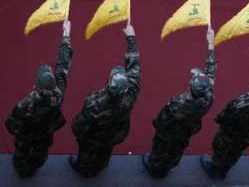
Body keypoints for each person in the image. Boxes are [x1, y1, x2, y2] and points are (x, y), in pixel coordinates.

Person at [200, 28, 249, 179]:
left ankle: (215, 168)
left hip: (231, 131)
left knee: (221, 149)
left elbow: (224, 117)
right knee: (236, 151)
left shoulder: (242, 103)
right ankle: (225, 170)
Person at [142, 27, 217, 178]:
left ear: (190, 87)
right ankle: (169, 165)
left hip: (170, 130)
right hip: (188, 129)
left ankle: (155, 169)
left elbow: (161, 121)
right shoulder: (208, 97)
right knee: (178, 147)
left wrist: (157, 126)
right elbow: (211, 73)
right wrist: (210, 44)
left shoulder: (177, 105)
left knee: (161, 148)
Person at [69, 22, 141, 177]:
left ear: (109, 84)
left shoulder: (94, 103)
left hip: (93, 138)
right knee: (105, 152)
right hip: (113, 135)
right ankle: (100, 167)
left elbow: (78, 126)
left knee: (86, 155)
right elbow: (134, 67)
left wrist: (80, 136)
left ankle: (84, 168)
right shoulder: (130, 95)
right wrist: (131, 37)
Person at [5, 20, 73, 177]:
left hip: (26, 137)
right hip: (45, 134)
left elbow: (10, 125)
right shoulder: (58, 94)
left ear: (36, 85)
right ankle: (34, 167)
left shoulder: (25, 104)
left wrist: (22, 133)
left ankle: (22, 168)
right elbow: (63, 66)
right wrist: (66, 34)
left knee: (21, 153)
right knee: (41, 153)